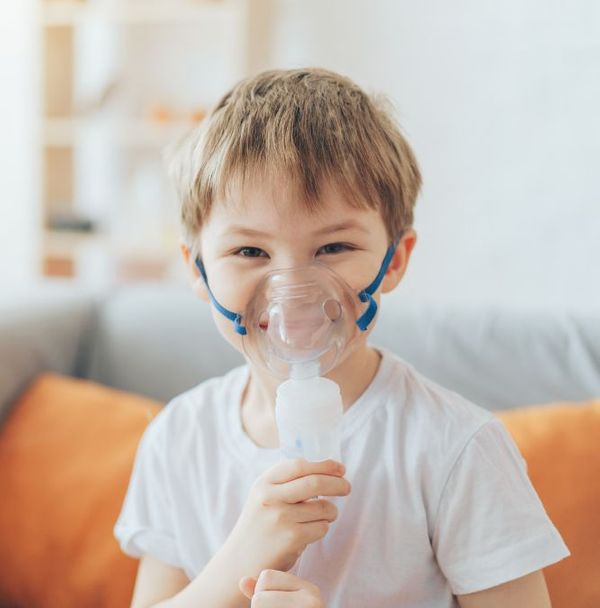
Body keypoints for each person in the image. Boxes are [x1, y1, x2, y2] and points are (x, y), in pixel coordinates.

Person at [114, 68, 569, 608]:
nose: (294, 292)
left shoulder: (455, 449)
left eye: (333, 248)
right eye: (250, 252)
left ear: (394, 259)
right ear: (197, 270)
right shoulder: (179, 440)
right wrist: (239, 561)